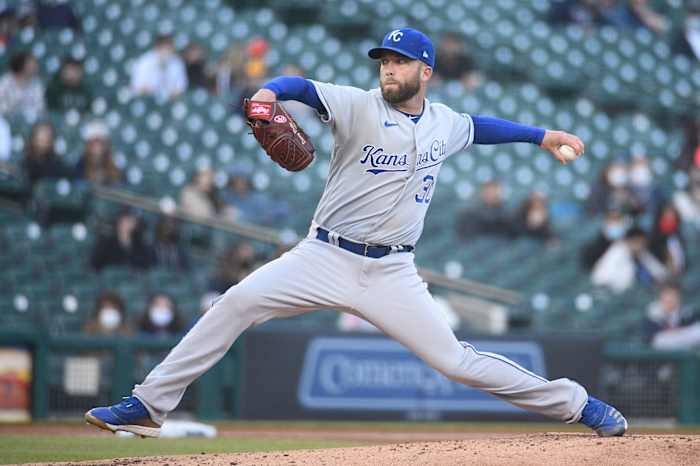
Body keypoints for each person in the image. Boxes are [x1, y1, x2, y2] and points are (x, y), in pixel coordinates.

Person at [86, 28, 626, 438]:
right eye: (385, 61)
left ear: (426, 72)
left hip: (392, 270)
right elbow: (300, 87)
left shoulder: (443, 123)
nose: (388, 70)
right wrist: (270, 95)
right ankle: (149, 404)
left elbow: (480, 128)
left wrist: (540, 136)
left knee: (455, 361)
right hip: (323, 255)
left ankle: (576, 405)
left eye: (399, 62)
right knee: (236, 302)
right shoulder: (356, 104)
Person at [591, 226, 667, 293]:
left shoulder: (643, 254)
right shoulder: (617, 252)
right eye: (636, 242)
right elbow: (600, 279)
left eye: (642, 242)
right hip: (616, 296)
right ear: (627, 241)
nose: (639, 246)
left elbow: (661, 273)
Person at [642, 283, 700, 350]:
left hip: (685, 346)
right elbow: (652, 340)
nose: (670, 299)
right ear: (660, 297)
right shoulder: (650, 315)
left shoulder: (688, 312)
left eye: (674, 295)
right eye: (667, 295)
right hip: (662, 353)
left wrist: (679, 333)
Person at [130, 34, 187, 100]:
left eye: (169, 47)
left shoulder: (177, 63)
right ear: (157, 47)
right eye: (164, 47)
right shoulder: (145, 61)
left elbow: (182, 87)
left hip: (170, 101)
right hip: (147, 100)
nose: (166, 51)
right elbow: (137, 86)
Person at [21, 121, 73, 188]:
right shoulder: (23, 164)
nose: (44, 139)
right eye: (41, 135)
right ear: (33, 138)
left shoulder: (58, 166)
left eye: (47, 135)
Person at [75, 120, 122, 186]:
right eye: (93, 144)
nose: (97, 148)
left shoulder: (115, 167)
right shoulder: (78, 168)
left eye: (100, 143)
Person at [0, 51, 45, 117]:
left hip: (27, 120)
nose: (35, 67)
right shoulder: (6, 80)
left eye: (34, 64)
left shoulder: (37, 84)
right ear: (22, 65)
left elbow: (40, 108)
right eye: (30, 65)